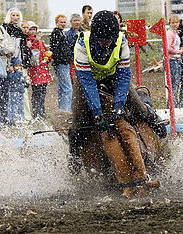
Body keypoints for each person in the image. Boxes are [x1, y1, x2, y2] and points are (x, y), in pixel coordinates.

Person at [69, 10, 166, 197]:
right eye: (102, 40)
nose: (106, 44)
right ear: (95, 35)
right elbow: (88, 83)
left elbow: (123, 76)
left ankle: (154, 119)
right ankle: (73, 155)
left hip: (115, 78)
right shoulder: (81, 44)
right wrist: (97, 114)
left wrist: (119, 106)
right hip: (87, 81)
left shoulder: (121, 42)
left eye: (109, 40)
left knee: (138, 106)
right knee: (78, 119)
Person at [27, 21, 52, 119]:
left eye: (34, 29)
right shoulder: (30, 41)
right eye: (31, 29)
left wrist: (47, 57)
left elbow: (44, 52)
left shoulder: (40, 42)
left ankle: (41, 113)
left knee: (42, 94)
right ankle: (37, 113)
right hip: (36, 71)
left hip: (42, 70)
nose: (33, 32)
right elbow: (33, 53)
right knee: (37, 93)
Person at [50, 14, 73, 111]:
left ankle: (62, 109)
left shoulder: (60, 33)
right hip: (61, 63)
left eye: (64, 22)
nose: (63, 24)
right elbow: (55, 49)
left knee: (62, 87)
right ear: (56, 23)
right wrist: (62, 59)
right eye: (61, 22)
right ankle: (65, 109)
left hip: (62, 63)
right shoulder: (56, 33)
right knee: (67, 88)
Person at [166, 14, 183, 107]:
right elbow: (167, 48)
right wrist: (179, 51)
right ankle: (171, 105)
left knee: (176, 84)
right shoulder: (169, 33)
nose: (175, 24)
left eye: (176, 22)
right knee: (173, 84)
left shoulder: (176, 33)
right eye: (172, 23)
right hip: (172, 60)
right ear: (169, 23)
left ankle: (173, 104)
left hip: (176, 60)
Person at [7, 57, 29, 124]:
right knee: (14, 105)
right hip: (13, 91)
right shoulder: (11, 74)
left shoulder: (20, 74)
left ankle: (21, 118)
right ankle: (13, 119)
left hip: (20, 91)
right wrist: (18, 73)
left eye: (20, 66)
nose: (18, 67)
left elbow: (23, 80)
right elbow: (14, 79)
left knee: (20, 105)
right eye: (16, 66)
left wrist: (26, 81)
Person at [66, 13, 81, 81]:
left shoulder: (84, 32)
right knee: (74, 79)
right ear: (71, 22)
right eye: (75, 20)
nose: (77, 22)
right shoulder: (68, 35)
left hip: (83, 60)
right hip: (72, 61)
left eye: (78, 20)